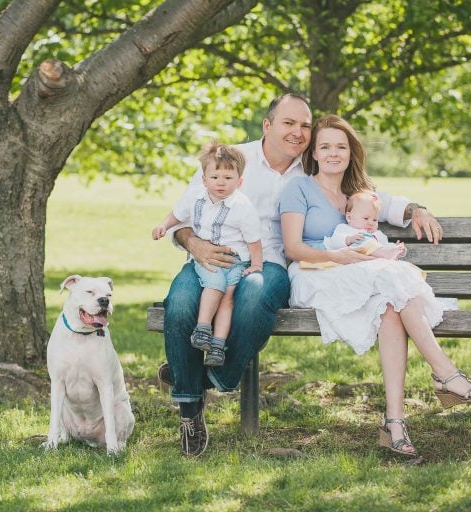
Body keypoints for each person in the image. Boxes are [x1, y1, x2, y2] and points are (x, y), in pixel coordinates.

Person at [159, 94, 442, 457]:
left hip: (271, 263)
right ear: (267, 126)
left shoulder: (313, 169)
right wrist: (194, 244)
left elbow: (370, 196)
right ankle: (190, 412)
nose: (298, 132)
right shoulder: (230, 159)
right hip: (211, 258)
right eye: (289, 123)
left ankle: (202, 380)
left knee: (255, 295)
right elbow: (182, 218)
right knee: (180, 303)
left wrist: (415, 209)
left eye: (305, 125)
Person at [279, 114, 471, 456]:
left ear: (351, 152)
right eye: (325, 146)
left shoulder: (359, 191)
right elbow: (293, 248)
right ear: (314, 153)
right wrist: (339, 257)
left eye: (341, 146)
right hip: (314, 273)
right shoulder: (299, 188)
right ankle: (445, 374)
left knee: (392, 308)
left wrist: (418, 210)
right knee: (394, 278)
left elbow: (394, 206)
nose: (333, 153)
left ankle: (394, 424)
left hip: (359, 276)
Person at [152, 141, 263, 367]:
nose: (220, 183)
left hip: (235, 261)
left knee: (228, 299)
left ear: (239, 181)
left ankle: (217, 346)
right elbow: (177, 214)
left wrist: (257, 265)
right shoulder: (195, 197)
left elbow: (254, 240)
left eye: (228, 178)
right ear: (204, 179)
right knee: (215, 284)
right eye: (215, 177)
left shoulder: (243, 206)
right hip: (207, 257)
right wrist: (163, 225)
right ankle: (203, 329)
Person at [324, 190, 406, 260]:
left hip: (371, 262)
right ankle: (386, 254)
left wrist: (395, 248)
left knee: (380, 247)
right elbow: (334, 242)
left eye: (375, 220)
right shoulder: (344, 228)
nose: (371, 223)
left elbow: (384, 246)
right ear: (349, 217)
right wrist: (348, 239)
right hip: (352, 259)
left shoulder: (377, 234)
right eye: (366, 218)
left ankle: (391, 253)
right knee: (363, 241)